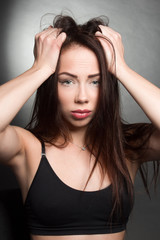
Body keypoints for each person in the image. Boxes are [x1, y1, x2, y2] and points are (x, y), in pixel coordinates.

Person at [0, 14, 160, 240]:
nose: (82, 97)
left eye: (96, 81)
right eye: (67, 81)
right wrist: (40, 69)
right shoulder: (27, 147)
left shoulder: (126, 145)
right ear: (51, 85)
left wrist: (121, 69)